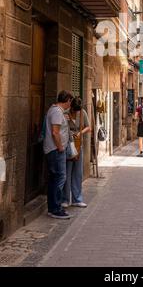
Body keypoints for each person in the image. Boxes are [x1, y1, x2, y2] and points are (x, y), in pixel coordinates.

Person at [43, 90, 74, 219]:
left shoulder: (57, 111)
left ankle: (53, 207)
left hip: (55, 150)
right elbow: (55, 132)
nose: (70, 105)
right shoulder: (56, 111)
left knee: (55, 179)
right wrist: (61, 147)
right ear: (67, 100)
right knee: (60, 178)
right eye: (70, 102)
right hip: (55, 150)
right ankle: (56, 208)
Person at [62, 97, 91, 209]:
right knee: (67, 172)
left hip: (78, 144)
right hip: (68, 144)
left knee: (77, 173)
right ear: (71, 107)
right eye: (74, 110)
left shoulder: (82, 112)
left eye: (77, 110)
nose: (76, 112)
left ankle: (77, 199)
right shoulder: (65, 113)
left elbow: (88, 127)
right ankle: (65, 199)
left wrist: (80, 133)